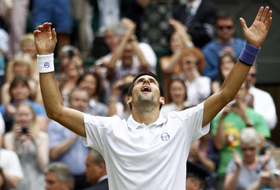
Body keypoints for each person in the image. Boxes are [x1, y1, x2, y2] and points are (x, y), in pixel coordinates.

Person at [33, 6, 272, 190]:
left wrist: (251, 49)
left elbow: (225, 94)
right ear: (129, 99)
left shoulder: (181, 123)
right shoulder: (109, 128)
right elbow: (56, 111)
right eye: (139, 82)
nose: (146, 82)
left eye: (152, 81)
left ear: (161, 99)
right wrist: (45, 58)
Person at [212, 82, 271, 189]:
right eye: (235, 89)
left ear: (247, 92)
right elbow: (218, 145)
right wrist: (221, 120)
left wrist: (247, 120)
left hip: (253, 172)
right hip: (226, 171)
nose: (237, 93)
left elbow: (261, 144)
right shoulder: (219, 118)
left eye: (241, 89)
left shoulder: (257, 117)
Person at [48, 87, 91, 190]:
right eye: (76, 100)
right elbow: (54, 153)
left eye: (84, 101)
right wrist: (78, 131)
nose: (80, 103)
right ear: (69, 101)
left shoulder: (93, 123)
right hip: (63, 180)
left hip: (87, 178)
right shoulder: (56, 124)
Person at [4, 101, 49, 190]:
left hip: (38, 184)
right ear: (15, 116)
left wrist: (35, 142)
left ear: (32, 116)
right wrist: (15, 143)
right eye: (20, 115)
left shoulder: (42, 136)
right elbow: (11, 164)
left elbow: (43, 167)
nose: (23, 118)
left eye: (26, 114)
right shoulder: (8, 137)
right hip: (17, 185)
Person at [202, 11, 246, 81]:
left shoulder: (244, 46)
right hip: (216, 87)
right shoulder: (208, 50)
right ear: (216, 28)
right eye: (221, 27)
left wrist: (234, 60)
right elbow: (205, 75)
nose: (225, 30)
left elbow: (250, 71)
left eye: (229, 27)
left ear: (234, 27)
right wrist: (222, 66)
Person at [246, 65, 277, 130]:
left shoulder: (265, 96)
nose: (249, 78)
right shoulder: (232, 94)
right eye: (246, 74)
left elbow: (272, 123)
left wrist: (253, 110)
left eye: (252, 75)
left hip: (259, 136)